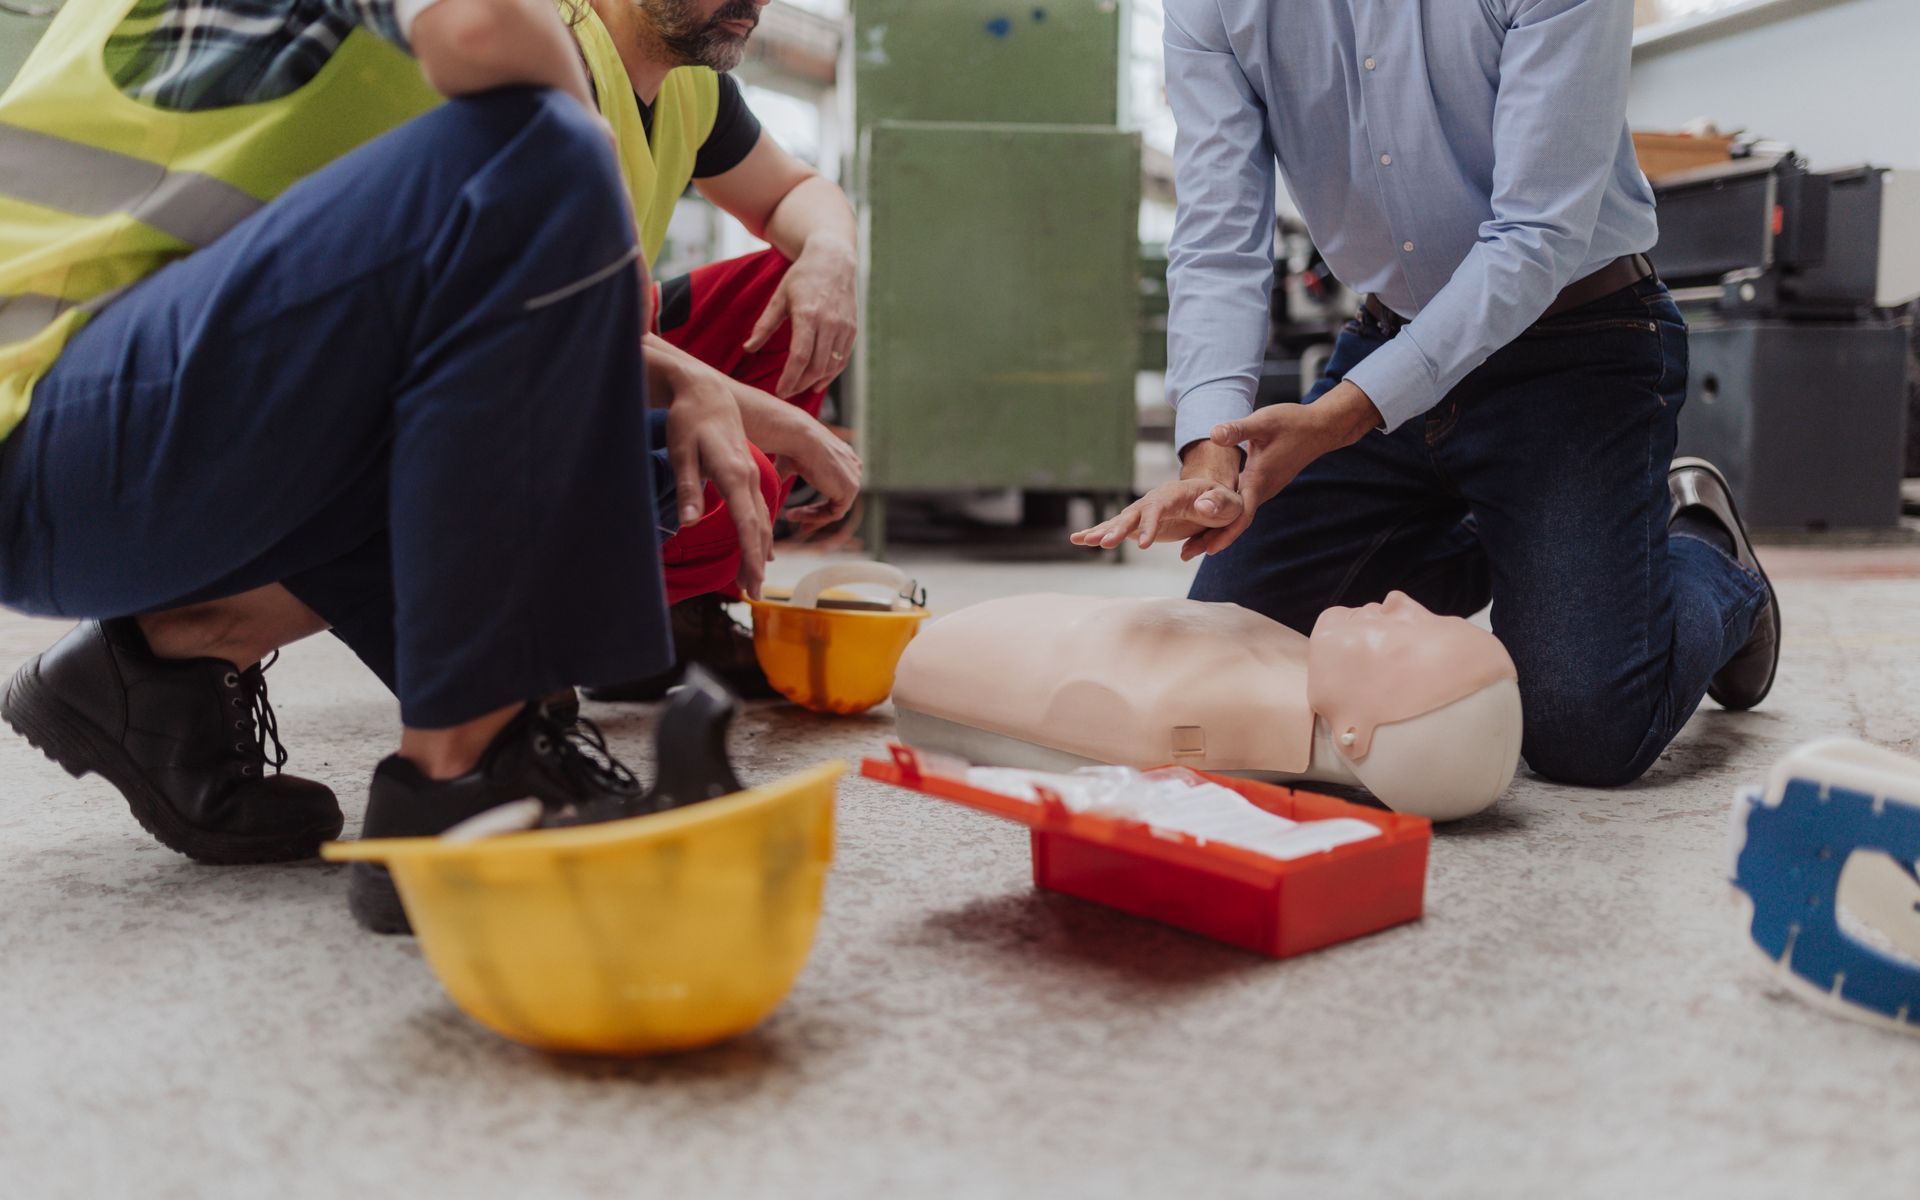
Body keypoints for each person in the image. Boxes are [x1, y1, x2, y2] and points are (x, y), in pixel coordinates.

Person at [0, 0, 802, 931]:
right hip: (49, 433)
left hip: (147, 442)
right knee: (537, 145)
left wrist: (664, 366)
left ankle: (169, 680)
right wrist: (606, 216)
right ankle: (464, 781)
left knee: (637, 449)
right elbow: (484, 40)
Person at [1072, 0, 1779, 788]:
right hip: (1387, 341)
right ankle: (1539, 540)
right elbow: (1218, 235)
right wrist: (1211, 460)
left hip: (1577, 346)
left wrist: (1342, 416)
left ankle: (1709, 557)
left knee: (1583, 733)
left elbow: (1538, 235)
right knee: (1228, 654)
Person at [574, 0, 865, 702]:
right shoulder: (549, 57)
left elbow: (798, 189)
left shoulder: (688, 82)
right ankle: (589, 624)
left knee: (791, 278)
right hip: (508, 378)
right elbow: (550, 337)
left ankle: (675, 617)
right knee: (742, 479)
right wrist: (780, 423)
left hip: (599, 347)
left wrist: (829, 253)